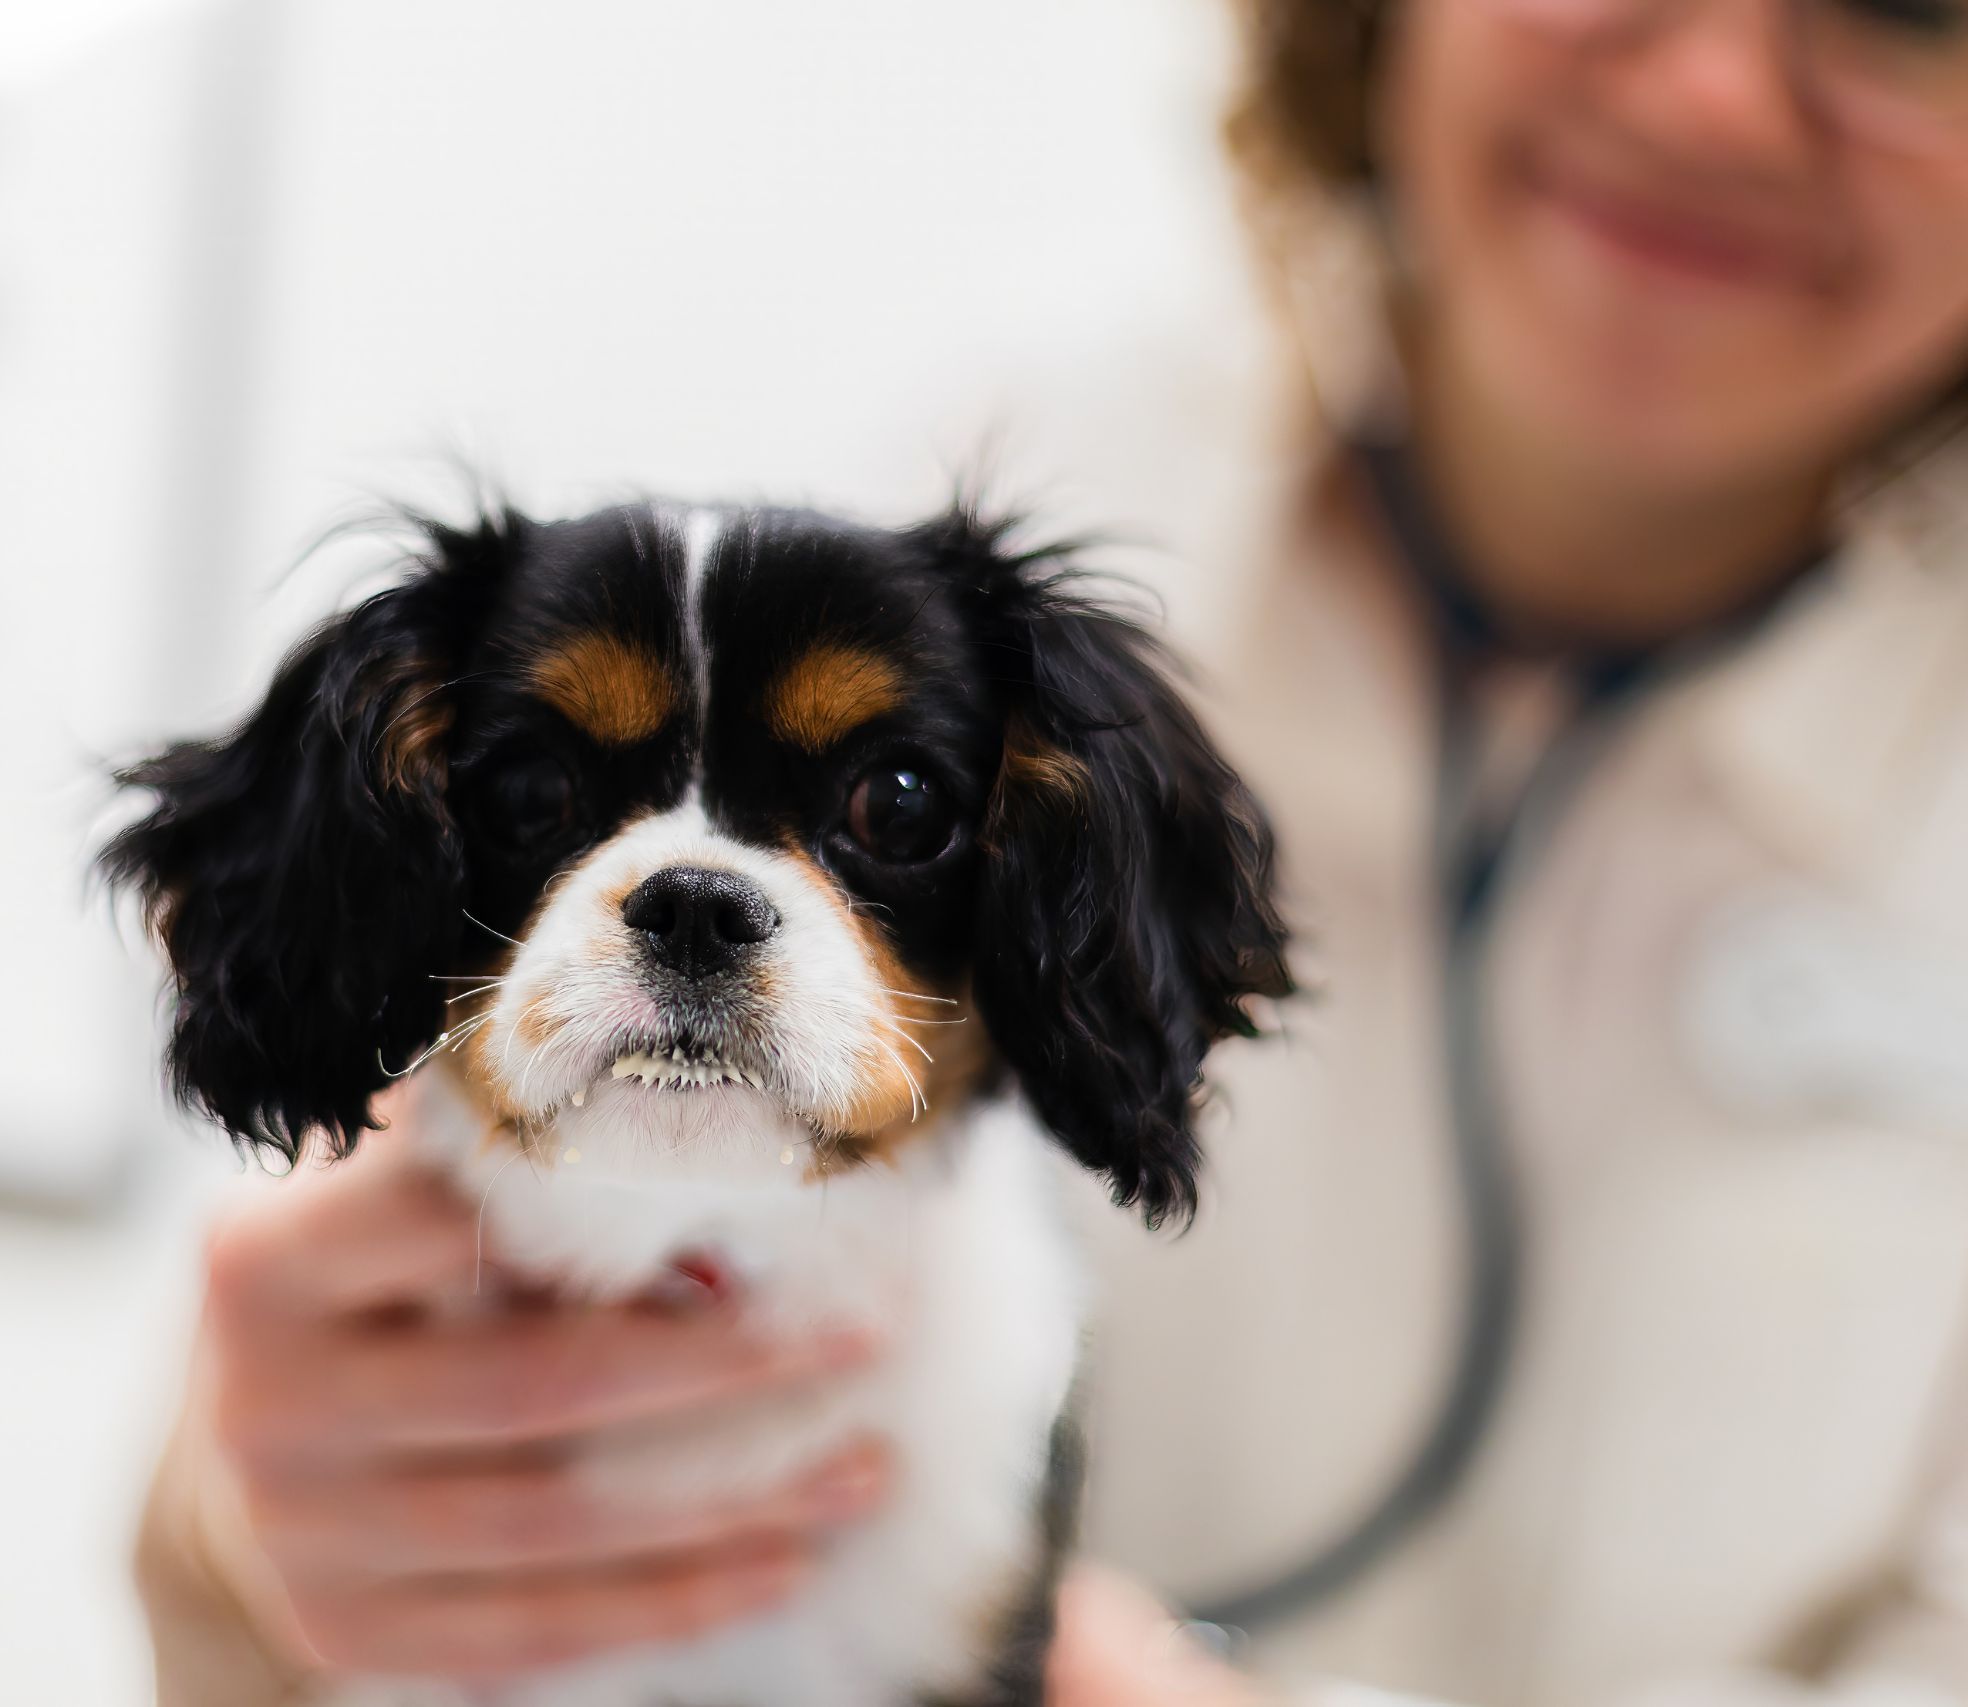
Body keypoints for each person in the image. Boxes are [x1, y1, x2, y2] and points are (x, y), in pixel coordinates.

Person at [131, 0, 1968, 1701]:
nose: (1717, 88)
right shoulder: (1006, 436)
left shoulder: (1031, 665)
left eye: (1902, 2)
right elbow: (273, 1476)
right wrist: (253, 1517)